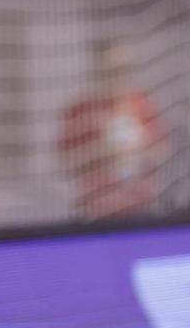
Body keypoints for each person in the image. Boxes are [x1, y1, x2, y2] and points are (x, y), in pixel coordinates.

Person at [56, 39, 165, 219]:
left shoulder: (141, 104)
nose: (119, 77)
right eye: (112, 71)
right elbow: (65, 161)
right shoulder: (80, 110)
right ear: (98, 72)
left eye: (124, 70)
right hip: (97, 211)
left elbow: (162, 150)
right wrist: (99, 152)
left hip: (139, 208)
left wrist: (139, 151)